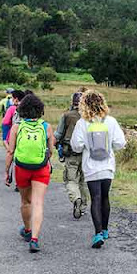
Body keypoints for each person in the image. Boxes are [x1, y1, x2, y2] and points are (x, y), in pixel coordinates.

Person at [70, 90, 126, 249]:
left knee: (95, 197)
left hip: (91, 166)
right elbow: (120, 143)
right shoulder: (111, 121)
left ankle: (98, 233)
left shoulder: (82, 123)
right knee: (105, 197)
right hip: (108, 166)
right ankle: (106, 229)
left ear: (84, 105)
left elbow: (76, 146)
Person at [5, 94, 55, 253]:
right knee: (38, 203)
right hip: (41, 169)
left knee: (26, 201)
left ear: (22, 109)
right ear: (40, 110)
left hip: (22, 169)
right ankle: (34, 239)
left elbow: (11, 152)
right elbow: (51, 151)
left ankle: (27, 230)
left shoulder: (16, 127)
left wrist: (7, 171)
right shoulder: (46, 127)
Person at [54, 92, 86, 220]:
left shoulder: (66, 115)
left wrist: (52, 146)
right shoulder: (89, 116)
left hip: (70, 153)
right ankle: (83, 206)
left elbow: (58, 134)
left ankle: (76, 199)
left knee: (71, 179)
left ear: (72, 102)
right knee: (83, 180)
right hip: (86, 153)